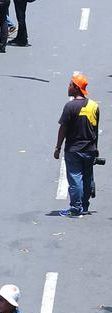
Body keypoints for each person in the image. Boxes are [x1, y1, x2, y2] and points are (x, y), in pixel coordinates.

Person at [55, 72, 99, 217]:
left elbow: (63, 128)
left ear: (76, 88)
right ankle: (84, 206)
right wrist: (96, 149)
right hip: (90, 149)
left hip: (74, 149)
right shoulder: (94, 106)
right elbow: (95, 129)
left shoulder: (70, 106)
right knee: (87, 177)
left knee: (75, 178)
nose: (68, 87)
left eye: (70, 85)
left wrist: (58, 147)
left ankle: (75, 208)